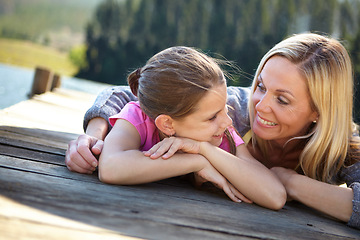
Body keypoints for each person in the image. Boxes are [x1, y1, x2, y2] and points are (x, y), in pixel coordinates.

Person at [65, 33, 360, 229]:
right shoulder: (229, 106)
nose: (260, 106)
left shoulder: (343, 149)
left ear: (319, 111)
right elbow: (133, 94)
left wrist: (289, 181)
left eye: (282, 99)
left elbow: (275, 195)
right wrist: (95, 135)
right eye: (260, 85)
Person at [96, 46, 286, 210]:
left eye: (225, 108)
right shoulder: (137, 117)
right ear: (167, 124)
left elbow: (275, 196)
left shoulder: (221, 134)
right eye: (212, 117)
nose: (228, 122)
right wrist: (197, 162)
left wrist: (204, 149)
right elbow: (111, 168)